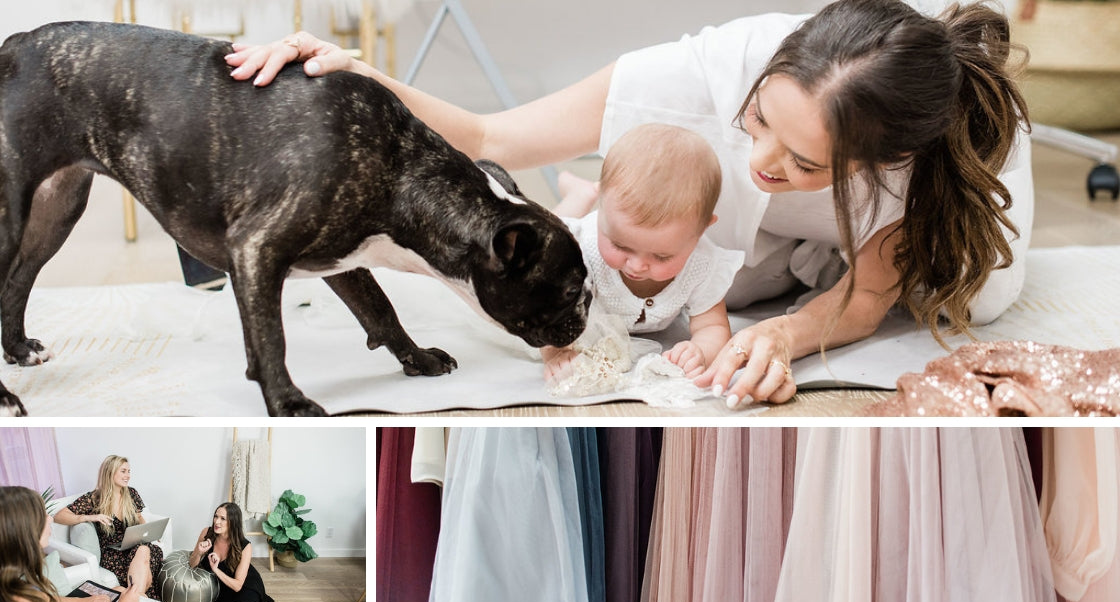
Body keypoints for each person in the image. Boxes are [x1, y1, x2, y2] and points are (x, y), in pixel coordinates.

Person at [226, 0, 1032, 409]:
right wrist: (352, 74)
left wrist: (787, 336)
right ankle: (600, 199)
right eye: (755, 124)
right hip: (743, 215)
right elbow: (486, 133)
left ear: (879, 163)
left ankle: (791, 237)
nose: (758, 161)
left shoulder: (924, 168)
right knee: (684, 270)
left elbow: (862, 301)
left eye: (799, 160)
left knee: (976, 301)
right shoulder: (709, 71)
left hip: (929, 205)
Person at [542, 122, 743, 379]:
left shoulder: (703, 263)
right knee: (550, 230)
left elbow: (713, 327)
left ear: (701, 230)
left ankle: (585, 195)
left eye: (662, 256)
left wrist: (700, 351)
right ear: (604, 210)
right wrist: (557, 353)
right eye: (620, 245)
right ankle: (580, 196)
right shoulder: (579, 250)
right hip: (572, 232)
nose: (637, 266)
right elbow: (544, 308)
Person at [1, 485, 142, 602]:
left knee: (120, 590)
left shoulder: (13, 587)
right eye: (42, 515)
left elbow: (44, 599)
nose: (50, 518)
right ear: (22, 533)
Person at [52, 456, 163, 600]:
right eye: (123, 471)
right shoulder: (95, 498)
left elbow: (139, 517)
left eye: (129, 471)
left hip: (135, 544)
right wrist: (89, 517)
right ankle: (141, 600)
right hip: (113, 552)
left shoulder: (131, 493)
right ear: (110, 472)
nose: (128, 475)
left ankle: (134, 599)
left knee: (144, 549)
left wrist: (149, 530)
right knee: (144, 564)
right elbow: (59, 516)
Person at [188, 503, 305, 602]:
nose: (217, 521)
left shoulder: (245, 546)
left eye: (223, 519)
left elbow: (238, 585)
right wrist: (199, 553)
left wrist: (215, 569)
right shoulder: (207, 533)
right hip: (224, 588)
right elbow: (192, 564)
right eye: (216, 516)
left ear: (233, 522)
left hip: (245, 584)